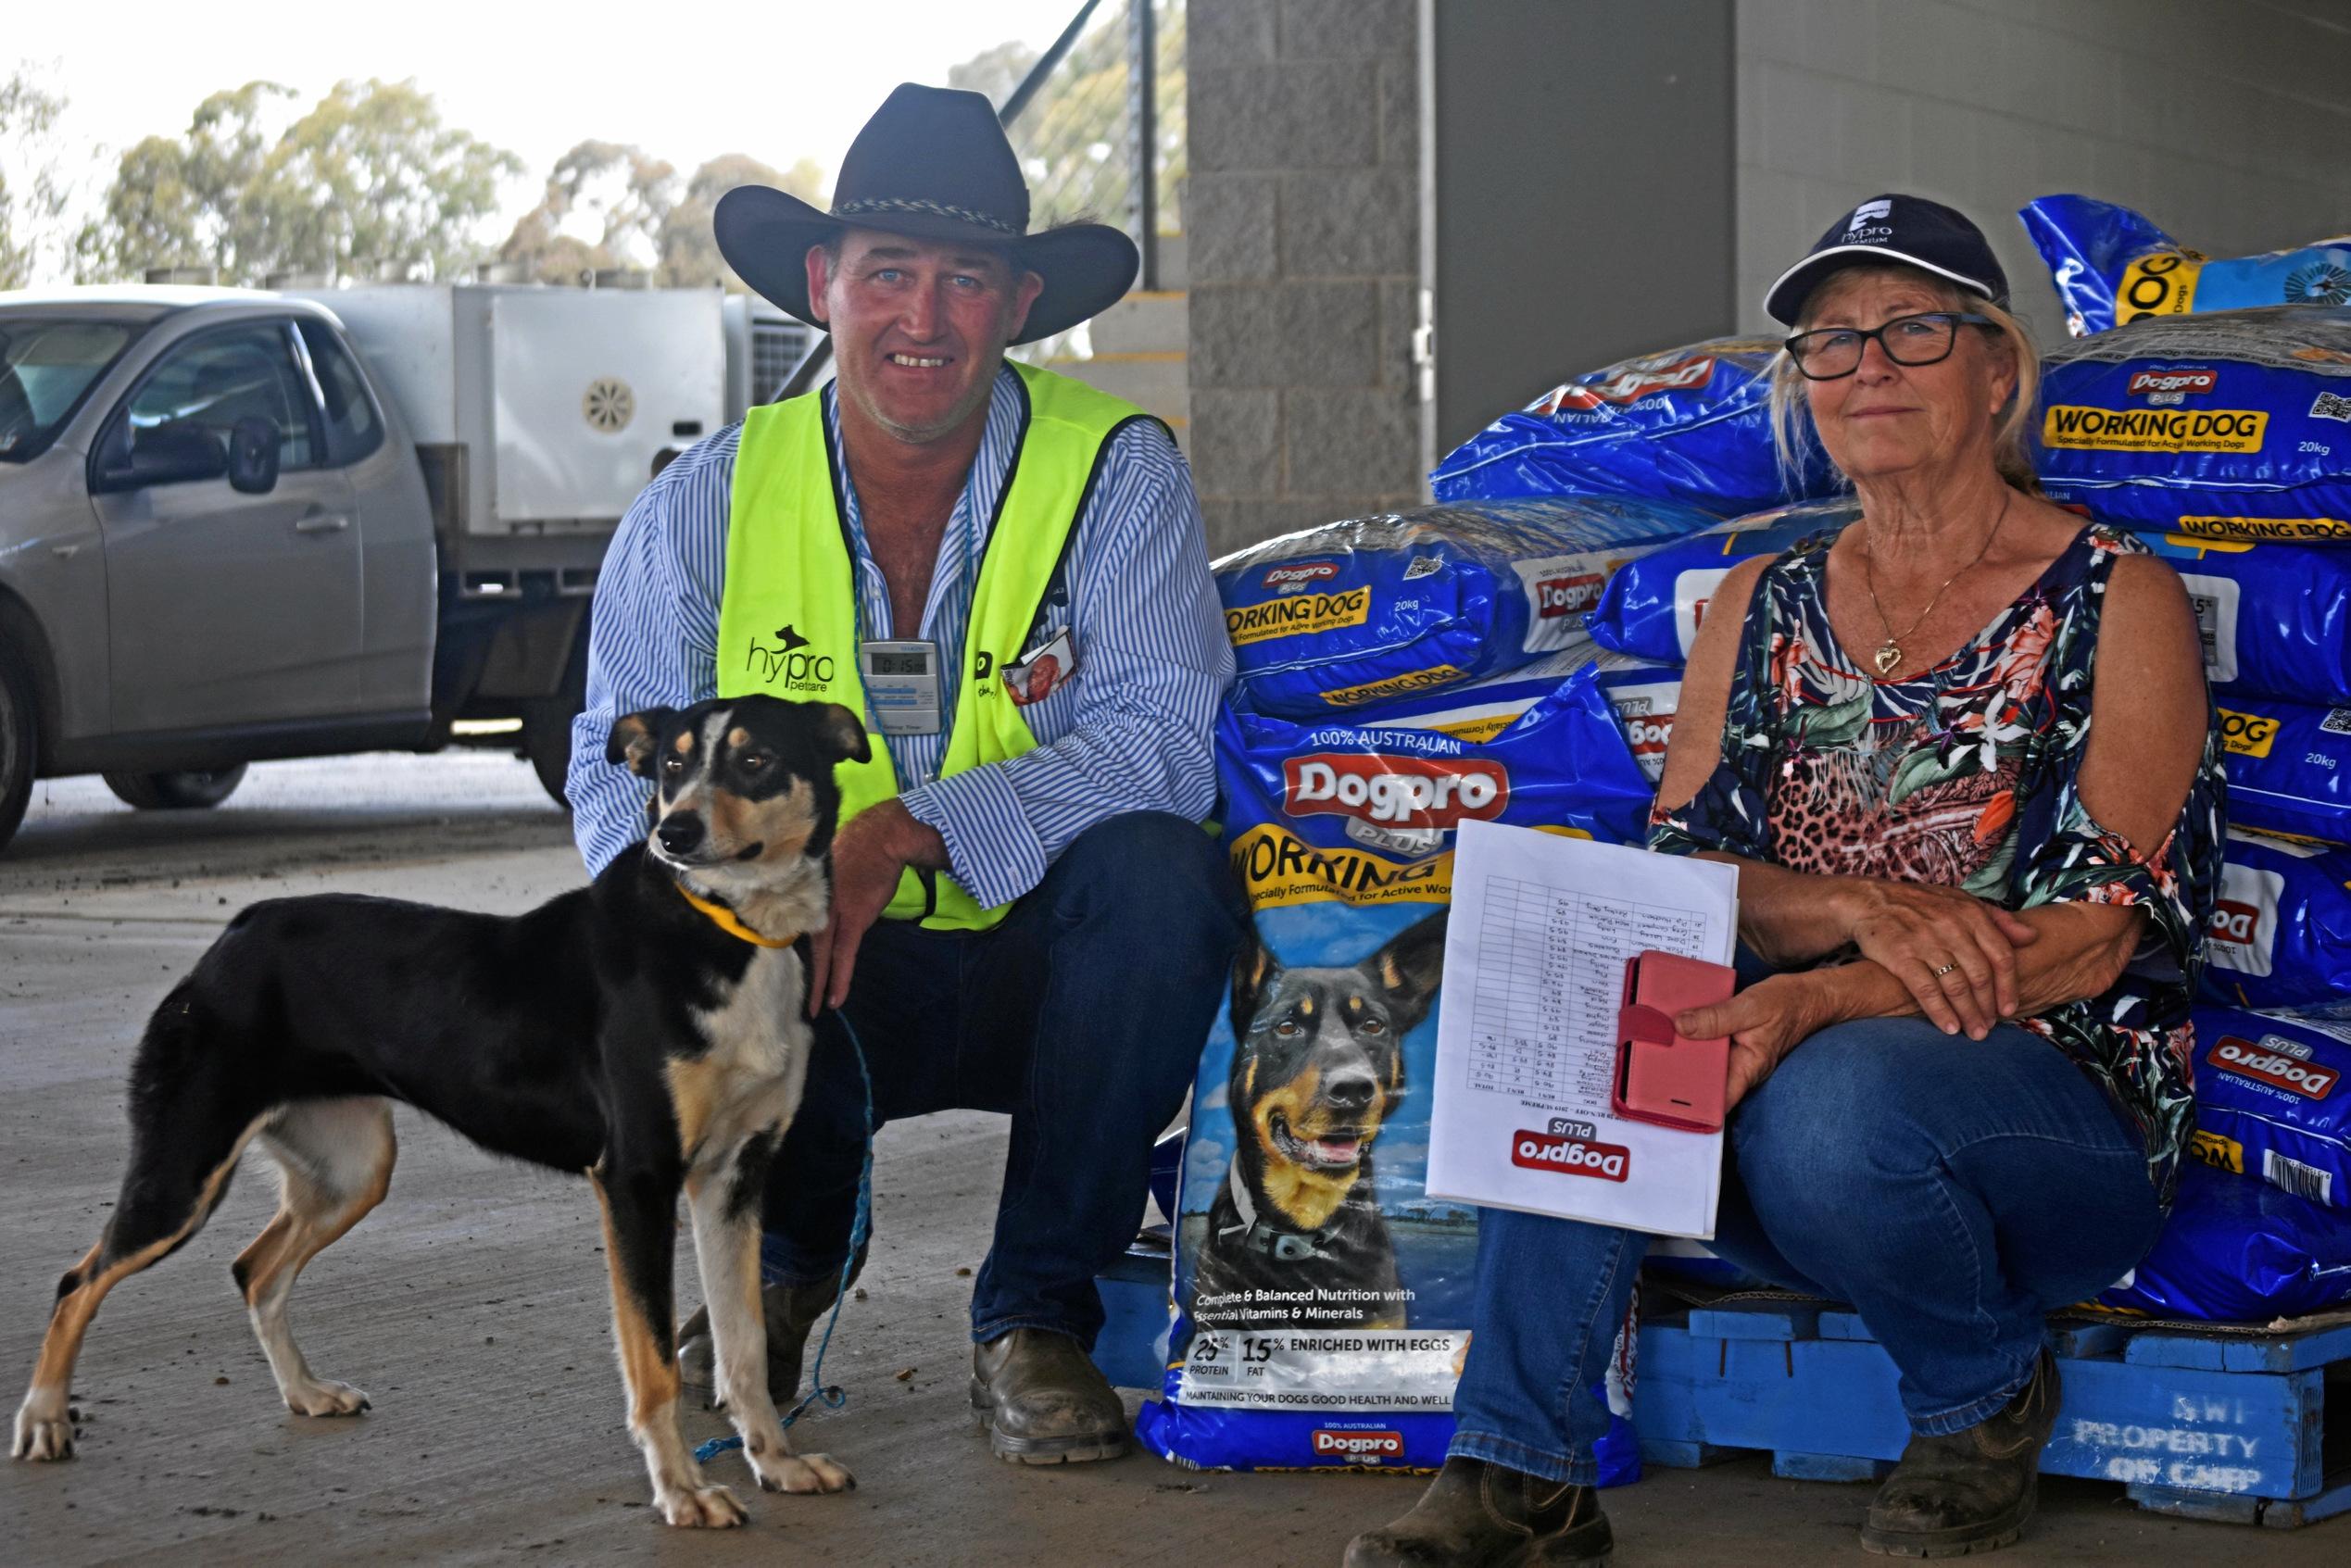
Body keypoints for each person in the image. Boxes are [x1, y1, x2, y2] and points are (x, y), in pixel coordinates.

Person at [1346, 195, 2225, 1564]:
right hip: (1787, 1109)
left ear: (1997, 367)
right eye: (1829, 343)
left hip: (2045, 1121)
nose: (1865, 366)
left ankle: (1982, 1389)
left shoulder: (2118, 598)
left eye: (1911, 329)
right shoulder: (1761, 599)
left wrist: (1822, 1002)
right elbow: (1687, 872)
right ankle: (1518, 1462)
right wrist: (1851, 910)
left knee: (1834, 1093)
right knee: (1592, 1004)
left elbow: (2098, 935)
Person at [566, 83, 1243, 1467]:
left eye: (963, 280)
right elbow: (607, 767)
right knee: (710, 931)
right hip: (816, 979)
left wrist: (913, 826)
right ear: (822, 286)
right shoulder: (702, 505)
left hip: (1044, 967)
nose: (921, 321)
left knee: (1170, 876)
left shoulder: (1114, 475)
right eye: (887, 275)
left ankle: (1033, 1315)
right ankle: (785, 1271)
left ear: (1018, 302)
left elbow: (1167, 737)